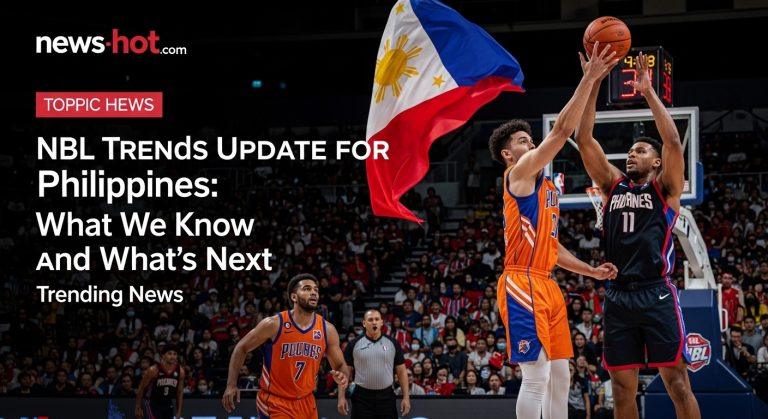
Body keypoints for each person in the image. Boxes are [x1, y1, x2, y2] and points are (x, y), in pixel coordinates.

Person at [488, 42, 618, 419]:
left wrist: (590, 271)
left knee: (561, 375)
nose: (531, 144)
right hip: (521, 281)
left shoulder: (546, 189)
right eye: (523, 142)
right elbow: (561, 132)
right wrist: (589, 79)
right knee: (536, 377)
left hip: (546, 282)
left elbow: (552, 247)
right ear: (509, 155)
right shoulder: (517, 175)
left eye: (531, 140)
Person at [574, 51, 702, 419]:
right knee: (620, 389)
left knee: (677, 383)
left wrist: (648, 92)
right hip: (618, 295)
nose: (632, 154)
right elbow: (584, 138)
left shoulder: (666, 189)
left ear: (657, 162)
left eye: (641, 151)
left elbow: (673, 141)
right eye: (630, 151)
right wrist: (593, 81)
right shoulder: (611, 185)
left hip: (656, 292)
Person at [221, 273, 349, 418]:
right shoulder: (274, 324)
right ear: (294, 297)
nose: (314, 292)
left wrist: (342, 387)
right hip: (275, 401)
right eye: (307, 289)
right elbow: (241, 348)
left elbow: (340, 366)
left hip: (306, 401)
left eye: (316, 290)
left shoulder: (327, 330)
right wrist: (231, 384)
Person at [337, 309, 410, 418]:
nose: (374, 322)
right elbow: (345, 373)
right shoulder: (353, 344)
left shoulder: (393, 343)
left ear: (381, 322)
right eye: (370, 320)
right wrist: (341, 397)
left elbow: (402, 371)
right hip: (361, 398)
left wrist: (406, 397)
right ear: (364, 323)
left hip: (386, 397)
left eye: (377, 319)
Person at [135, 344, 184, 419]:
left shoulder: (180, 371)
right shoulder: (153, 370)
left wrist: (179, 412)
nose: (172, 356)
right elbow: (141, 389)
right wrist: (138, 406)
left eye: (175, 354)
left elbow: (179, 392)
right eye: (169, 353)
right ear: (163, 356)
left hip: (168, 404)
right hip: (153, 403)